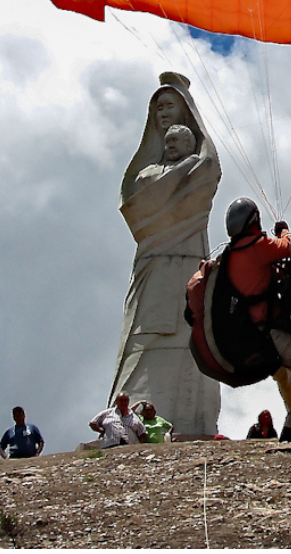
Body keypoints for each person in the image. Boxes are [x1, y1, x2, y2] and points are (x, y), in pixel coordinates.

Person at [113, 73, 221, 437]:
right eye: (158, 107)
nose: (163, 115)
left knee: (189, 330)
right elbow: (134, 202)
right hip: (152, 263)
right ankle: (126, 422)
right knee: (143, 334)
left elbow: (210, 169)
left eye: (170, 106)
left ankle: (192, 419)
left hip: (188, 255)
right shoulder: (146, 174)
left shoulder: (197, 167)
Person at [223, 197, 291, 440]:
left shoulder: (232, 253)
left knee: (285, 378)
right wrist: (284, 230)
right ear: (254, 220)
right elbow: (290, 246)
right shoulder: (256, 245)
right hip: (269, 336)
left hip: (251, 336)